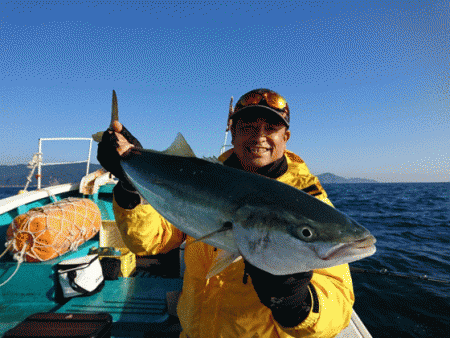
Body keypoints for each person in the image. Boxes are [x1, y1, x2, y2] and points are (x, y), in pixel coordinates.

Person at [97, 88, 354, 338]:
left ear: (285, 137)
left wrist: (296, 303)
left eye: (271, 128)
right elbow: (151, 241)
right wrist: (130, 186)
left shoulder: (308, 203)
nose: (259, 137)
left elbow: (338, 302)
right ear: (232, 133)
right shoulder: (200, 176)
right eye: (248, 127)